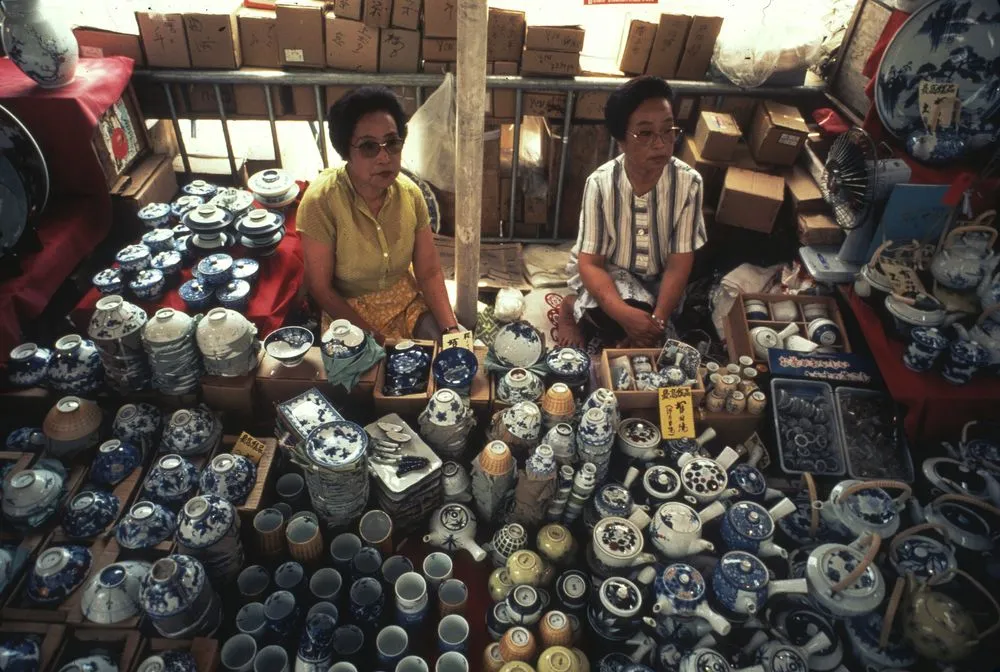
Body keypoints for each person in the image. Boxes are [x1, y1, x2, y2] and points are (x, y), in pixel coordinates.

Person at [297, 86, 460, 343]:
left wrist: (451, 330)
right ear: (346, 151)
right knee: (369, 365)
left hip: (405, 303)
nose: (384, 157)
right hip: (348, 312)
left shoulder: (411, 195)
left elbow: (428, 272)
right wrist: (374, 339)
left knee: (450, 351)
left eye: (392, 143)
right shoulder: (321, 201)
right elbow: (321, 288)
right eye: (368, 147)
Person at [557, 76, 707, 349]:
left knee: (660, 335)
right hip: (611, 274)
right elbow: (591, 264)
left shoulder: (689, 183)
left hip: (658, 280)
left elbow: (678, 264)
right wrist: (624, 315)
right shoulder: (600, 184)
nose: (660, 144)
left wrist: (657, 321)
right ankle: (570, 306)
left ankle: (633, 324)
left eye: (668, 130)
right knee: (610, 319)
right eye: (645, 133)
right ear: (621, 141)